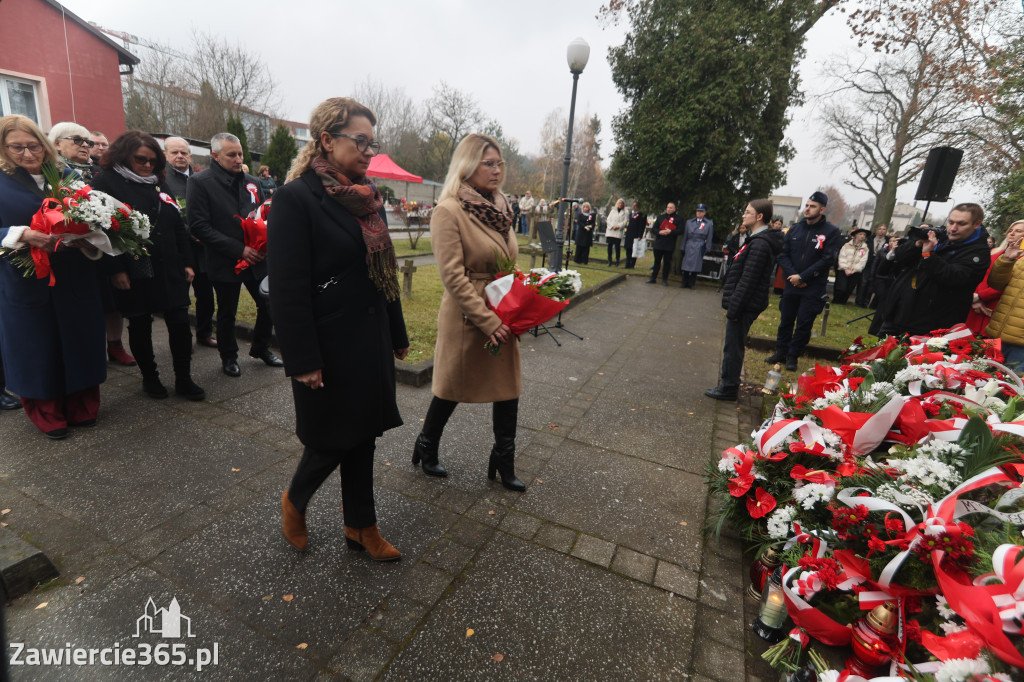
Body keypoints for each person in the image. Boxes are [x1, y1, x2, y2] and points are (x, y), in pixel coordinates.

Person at [269, 96, 408, 560]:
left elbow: (382, 269)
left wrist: (397, 331)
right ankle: (296, 501)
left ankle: (361, 526)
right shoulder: (296, 199)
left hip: (368, 338)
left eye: (373, 142)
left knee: (363, 433)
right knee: (331, 437)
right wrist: (302, 358)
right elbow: (287, 287)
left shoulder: (368, 196)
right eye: (360, 141)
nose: (370, 152)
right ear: (327, 140)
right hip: (327, 342)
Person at [410, 132, 526, 492]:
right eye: (487, 163)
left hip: (502, 308)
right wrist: (487, 320)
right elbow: (453, 278)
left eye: (499, 163)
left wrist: (524, 299)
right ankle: (427, 445)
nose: (496, 170)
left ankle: (503, 460)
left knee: (509, 388)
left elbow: (508, 263)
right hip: (467, 314)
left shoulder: (503, 208)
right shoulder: (448, 211)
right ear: (467, 165)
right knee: (451, 387)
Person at [0, 115, 106, 439]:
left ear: (44, 144)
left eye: (33, 145)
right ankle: (48, 412)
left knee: (80, 339)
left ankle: (82, 404)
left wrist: (92, 233)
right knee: (36, 345)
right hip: (25, 276)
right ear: (4, 149)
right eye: (17, 147)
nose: (28, 154)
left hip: (73, 272)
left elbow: (93, 213)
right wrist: (21, 234)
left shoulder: (65, 174)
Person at [92, 131, 205, 401]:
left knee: (179, 323)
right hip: (133, 268)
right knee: (140, 323)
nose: (147, 166)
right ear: (124, 156)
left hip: (170, 266)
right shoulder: (106, 182)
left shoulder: (158, 182)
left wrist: (188, 262)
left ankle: (184, 378)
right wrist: (116, 269)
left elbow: (178, 224)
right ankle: (150, 378)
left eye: (153, 161)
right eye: (141, 159)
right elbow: (101, 231)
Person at [187, 132, 283, 377]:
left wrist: (262, 247)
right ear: (215, 156)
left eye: (240, 153)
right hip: (225, 258)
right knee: (228, 310)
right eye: (232, 155)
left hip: (257, 258)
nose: (238, 159)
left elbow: (262, 215)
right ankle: (228, 356)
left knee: (270, 304)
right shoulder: (201, 182)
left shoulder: (252, 181)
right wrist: (239, 249)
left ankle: (260, 347)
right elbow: (198, 225)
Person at [706, 199, 783, 400]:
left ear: (759, 217)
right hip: (743, 303)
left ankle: (729, 387)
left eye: (747, 212)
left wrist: (734, 309)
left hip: (743, 305)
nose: (743, 215)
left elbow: (748, 280)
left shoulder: (759, 244)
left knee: (733, 346)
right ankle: (728, 384)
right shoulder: (756, 240)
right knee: (733, 345)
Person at [879, 204, 990, 337]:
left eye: (961, 224)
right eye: (950, 222)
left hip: (930, 326)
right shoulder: (942, 237)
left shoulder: (979, 252)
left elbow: (954, 277)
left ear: (977, 224)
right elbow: (900, 258)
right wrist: (917, 244)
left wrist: (928, 255)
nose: (953, 228)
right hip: (898, 313)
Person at [765, 192, 842, 371]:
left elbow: (827, 259)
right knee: (786, 319)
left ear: (822, 210)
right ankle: (781, 351)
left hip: (812, 287)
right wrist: (794, 276)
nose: (807, 209)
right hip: (792, 283)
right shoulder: (795, 229)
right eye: (806, 205)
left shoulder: (831, 232)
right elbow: (783, 254)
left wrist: (804, 277)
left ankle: (793, 355)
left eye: (812, 206)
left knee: (804, 323)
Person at [164, 136, 217, 349]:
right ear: (166, 155)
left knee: (205, 295)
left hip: (203, 248)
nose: (179, 156)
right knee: (179, 298)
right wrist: (190, 232)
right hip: (179, 250)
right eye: (174, 152)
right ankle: (181, 339)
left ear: (190, 155)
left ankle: (204, 333)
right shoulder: (161, 181)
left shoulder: (202, 179)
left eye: (183, 152)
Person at [966, 221, 1024, 334]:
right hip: (975, 304)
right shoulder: (995, 252)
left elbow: (1009, 283)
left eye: (1018, 231)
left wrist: (981, 296)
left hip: (996, 306)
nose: (1011, 234)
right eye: (1010, 230)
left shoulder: (1020, 260)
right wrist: (974, 297)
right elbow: (981, 275)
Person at [982, 221, 1024, 370]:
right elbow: (996, 284)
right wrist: (1007, 260)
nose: (1012, 234)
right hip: (995, 332)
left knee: (1012, 388)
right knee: (978, 377)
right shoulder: (1018, 259)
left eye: (1018, 231)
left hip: (1020, 345)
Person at [867, 235, 904, 337]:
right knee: (883, 305)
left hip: (896, 283)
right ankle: (876, 330)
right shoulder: (884, 251)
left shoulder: (906, 251)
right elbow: (881, 267)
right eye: (892, 241)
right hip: (883, 281)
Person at [680, 203, 714, 289]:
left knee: (696, 265)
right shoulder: (689, 222)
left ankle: (692, 283)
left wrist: (708, 247)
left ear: (704, 213)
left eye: (701, 211)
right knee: (686, 264)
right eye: (698, 211)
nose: (699, 213)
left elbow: (709, 236)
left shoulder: (708, 223)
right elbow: (685, 236)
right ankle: (684, 283)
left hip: (700, 244)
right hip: (689, 244)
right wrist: (682, 246)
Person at [833, 227, 870, 305]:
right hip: (843, 270)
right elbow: (842, 257)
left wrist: (854, 270)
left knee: (849, 289)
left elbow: (863, 261)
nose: (862, 236)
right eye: (860, 234)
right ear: (855, 235)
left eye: (864, 235)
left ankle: (843, 302)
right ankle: (836, 301)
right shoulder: (846, 245)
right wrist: (845, 268)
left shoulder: (865, 248)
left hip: (855, 272)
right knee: (841, 287)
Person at [648, 202, 682, 284]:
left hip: (669, 244)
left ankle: (664, 279)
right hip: (659, 243)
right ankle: (653, 278)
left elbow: (680, 230)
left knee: (667, 263)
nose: (669, 209)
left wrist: (671, 231)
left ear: (674, 209)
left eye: (671, 207)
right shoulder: (660, 217)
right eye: (668, 207)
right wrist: (660, 232)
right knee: (657, 262)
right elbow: (654, 229)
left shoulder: (678, 219)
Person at [856, 224, 889, 307]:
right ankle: (859, 301)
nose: (881, 231)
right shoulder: (869, 239)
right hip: (868, 264)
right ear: (876, 230)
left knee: (872, 285)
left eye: (884, 229)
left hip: (879, 265)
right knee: (863, 283)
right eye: (880, 229)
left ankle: (866, 302)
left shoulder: (887, 241)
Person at [623, 201, 647, 269]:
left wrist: (640, 235)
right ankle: (627, 264)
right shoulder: (631, 214)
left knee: (634, 250)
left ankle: (632, 264)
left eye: (635, 206)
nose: (634, 207)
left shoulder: (642, 214)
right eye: (633, 206)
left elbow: (642, 226)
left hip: (636, 234)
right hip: (629, 234)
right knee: (628, 249)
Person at [605, 198, 627, 267]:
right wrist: (612, 226)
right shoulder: (612, 211)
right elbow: (608, 220)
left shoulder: (625, 213)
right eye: (619, 203)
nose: (620, 204)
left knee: (617, 247)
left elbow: (625, 222)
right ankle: (609, 260)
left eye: (621, 203)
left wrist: (618, 226)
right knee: (609, 246)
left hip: (618, 231)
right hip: (611, 231)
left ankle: (617, 261)